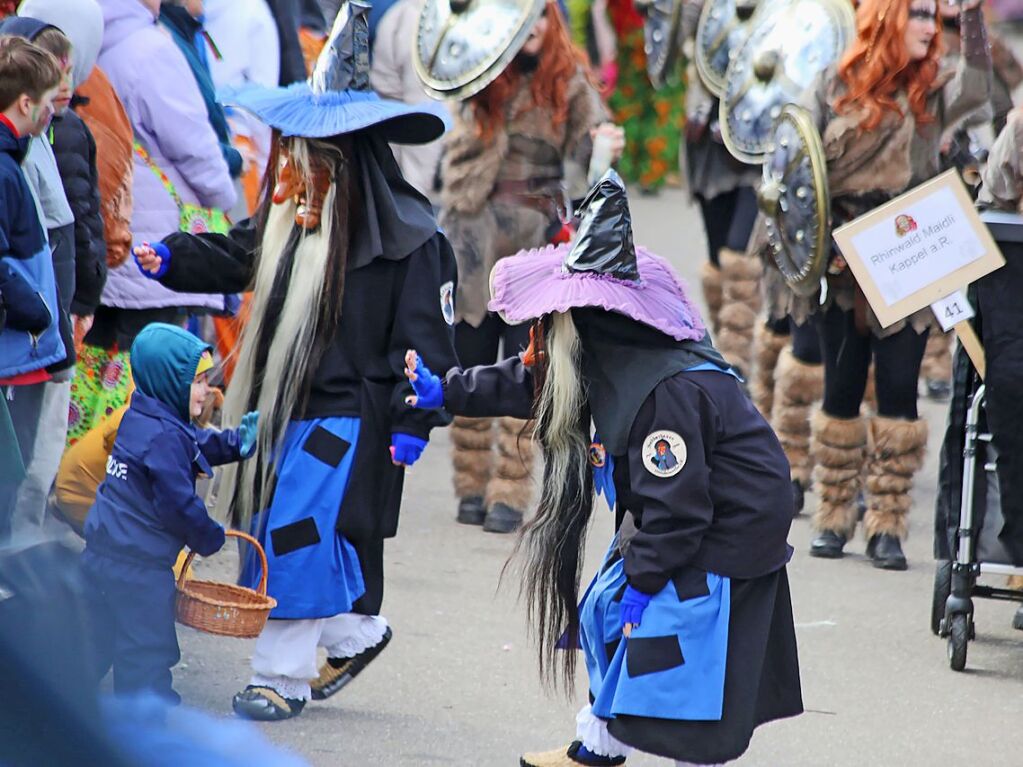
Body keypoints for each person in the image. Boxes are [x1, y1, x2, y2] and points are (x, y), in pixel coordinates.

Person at [405, 171, 802, 767]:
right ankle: (597, 746)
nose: (539, 334)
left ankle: (649, 751)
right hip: (683, 514)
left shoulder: (663, 392)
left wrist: (644, 582)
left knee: (670, 642)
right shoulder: (607, 349)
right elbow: (536, 378)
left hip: (730, 525)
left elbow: (678, 513)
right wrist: (449, 390)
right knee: (608, 609)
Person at [133, 0, 457, 719]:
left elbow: (428, 347)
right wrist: (175, 257)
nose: (290, 177)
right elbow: (243, 251)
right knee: (286, 528)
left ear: (343, 163)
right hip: (281, 406)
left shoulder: (410, 240)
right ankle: (353, 629)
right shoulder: (291, 214)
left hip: (349, 415)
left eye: (306, 163)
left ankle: (279, 675)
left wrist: (417, 419)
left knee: (296, 533)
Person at [781, 0, 991, 568]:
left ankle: (887, 523)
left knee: (899, 390)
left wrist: (969, 16)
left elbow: (983, 88)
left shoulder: (934, 90)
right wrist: (815, 248)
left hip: (907, 249)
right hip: (841, 258)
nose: (930, 26)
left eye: (934, 15)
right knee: (842, 390)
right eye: (918, 14)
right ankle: (833, 513)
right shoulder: (832, 82)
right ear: (887, 19)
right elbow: (793, 169)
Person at [438, 0, 619, 533]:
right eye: (525, 17)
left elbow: (595, 147)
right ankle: (470, 484)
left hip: (532, 240)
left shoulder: (568, 79)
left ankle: (509, 492)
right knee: (469, 357)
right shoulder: (479, 66)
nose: (535, 27)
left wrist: (605, 146)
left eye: (543, 16)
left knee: (527, 363)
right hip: (472, 235)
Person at [82, 322, 258, 704]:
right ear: (168, 381)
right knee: (146, 652)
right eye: (196, 382)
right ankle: (144, 735)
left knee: (91, 645)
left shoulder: (142, 417)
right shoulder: (165, 436)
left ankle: (53, 714)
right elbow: (178, 505)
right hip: (140, 571)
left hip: (100, 556)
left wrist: (234, 444)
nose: (206, 391)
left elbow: (191, 443)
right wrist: (209, 536)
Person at [0, 35, 65, 541]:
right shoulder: (3, 167)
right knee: (9, 473)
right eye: (46, 104)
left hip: (22, 346)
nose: (50, 113)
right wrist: (38, 310)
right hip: (15, 346)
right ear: (26, 103)